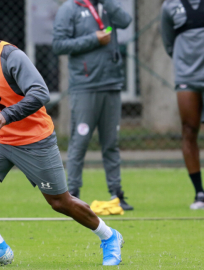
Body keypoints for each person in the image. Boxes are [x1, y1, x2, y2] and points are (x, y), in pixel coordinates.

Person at [0, 4, 124, 267]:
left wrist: (6, 115)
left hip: (34, 140)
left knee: (59, 202)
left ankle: (109, 236)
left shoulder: (11, 56)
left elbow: (40, 93)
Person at [52, 0, 133, 210]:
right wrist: (93, 39)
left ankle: (117, 194)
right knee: (80, 141)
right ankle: (73, 194)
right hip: (85, 86)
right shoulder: (69, 9)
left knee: (111, 143)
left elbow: (125, 21)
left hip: (112, 83)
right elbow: (59, 44)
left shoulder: (107, 5)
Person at [161, 0, 204, 210]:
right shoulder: (170, 6)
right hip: (187, 76)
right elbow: (168, 42)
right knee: (189, 130)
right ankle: (199, 194)